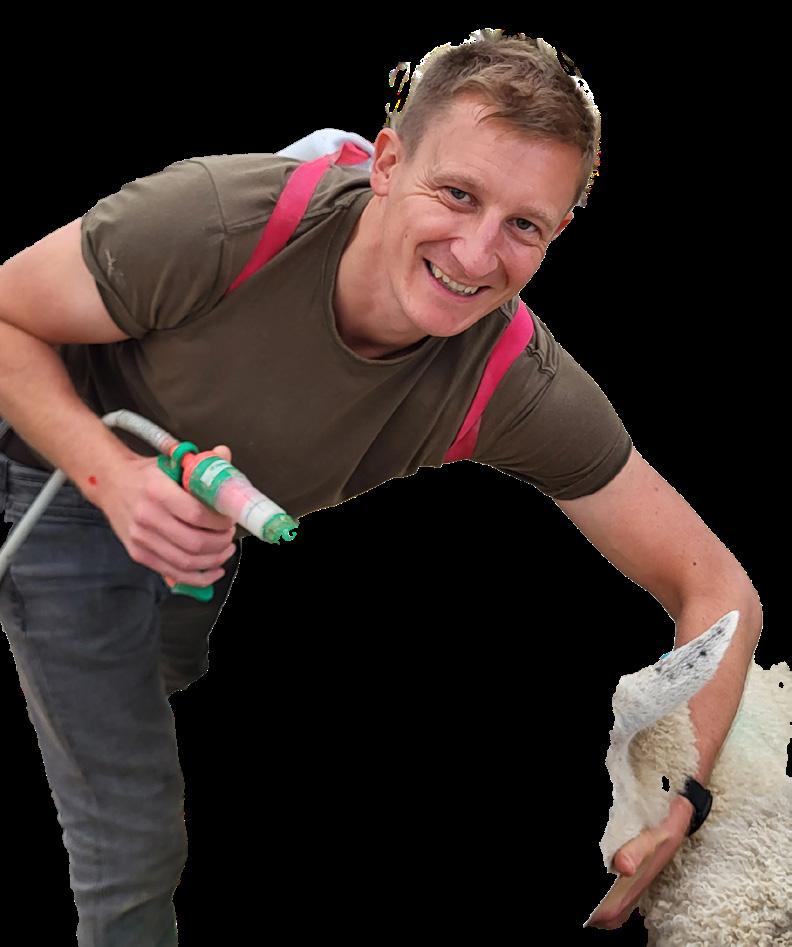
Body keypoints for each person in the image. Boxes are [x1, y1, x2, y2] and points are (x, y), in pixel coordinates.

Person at [0, 29, 762, 943]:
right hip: (61, 460)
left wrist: (681, 792)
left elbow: (718, 588)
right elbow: (4, 316)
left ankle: (91, 695)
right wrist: (114, 480)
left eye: (523, 225)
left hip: (213, 510)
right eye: (458, 193)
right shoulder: (218, 222)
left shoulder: (510, 381)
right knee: (133, 844)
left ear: (557, 234)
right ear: (389, 164)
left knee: (166, 668)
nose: (476, 254)